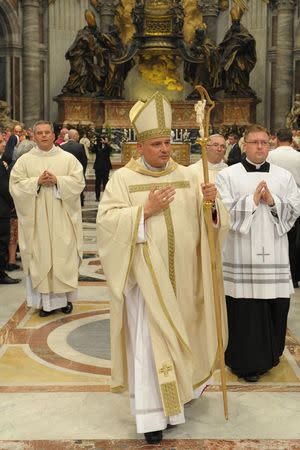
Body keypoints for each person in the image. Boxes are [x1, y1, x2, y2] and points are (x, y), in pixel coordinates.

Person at [96, 92, 229, 445]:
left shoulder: (188, 176)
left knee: (179, 343)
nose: (165, 149)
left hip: (184, 281)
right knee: (151, 348)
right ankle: (153, 418)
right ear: (140, 147)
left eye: (168, 142)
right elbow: (107, 223)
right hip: (147, 284)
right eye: (157, 144)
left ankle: (176, 406)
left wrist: (212, 206)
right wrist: (145, 211)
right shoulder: (123, 181)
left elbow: (214, 225)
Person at [215, 124, 300, 383]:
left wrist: (274, 202)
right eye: (254, 142)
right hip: (241, 256)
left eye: (264, 142)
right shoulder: (227, 175)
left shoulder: (284, 176)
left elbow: (295, 208)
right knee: (244, 309)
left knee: (274, 306)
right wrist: (251, 201)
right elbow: (222, 212)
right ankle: (242, 360)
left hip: (273, 253)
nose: (260, 147)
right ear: (244, 144)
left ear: (270, 144)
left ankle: (270, 356)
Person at [9, 121, 85, 317]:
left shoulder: (68, 159)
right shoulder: (25, 161)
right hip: (37, 222)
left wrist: (58, 180)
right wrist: (37, 182)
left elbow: (79, 183)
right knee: (41, 258)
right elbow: (15, 186)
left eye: (47, 132)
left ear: (53, 135)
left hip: (62, 218)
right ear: (34, 136)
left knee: (64, 258)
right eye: (39, 133)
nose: (43, 136)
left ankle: (66, 300)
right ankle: (45, 304)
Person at [268, 128, 300, 287]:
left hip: (274, 198)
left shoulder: (271, 155)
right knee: (294, 240)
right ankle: (294, 278)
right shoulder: (298, 156)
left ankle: (277, 274)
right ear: (292, 140)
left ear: (277, 139)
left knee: (276, 236)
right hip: (297, 198)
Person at [218, 6, 257, 97]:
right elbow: (224, 44)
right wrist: (220, 49)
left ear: (239, 22)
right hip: (229, 60)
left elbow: (250, 42)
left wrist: (242, 46)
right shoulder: (230, 33)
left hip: (240, 60)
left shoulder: (244, 33)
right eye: (233, 22)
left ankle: (240, 89)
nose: (234, 24)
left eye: (236, 22)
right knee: (229, 75)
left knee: (239, 76)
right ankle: (231, 89)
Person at [0, 135, 21, 284]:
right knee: (2, 243)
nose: (4, 144)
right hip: (2, 210)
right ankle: (1, 275)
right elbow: (3, 187)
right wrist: (12, 202)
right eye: (1, 142)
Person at [60, 129, 87, 206]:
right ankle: (80, 202)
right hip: (77, 172)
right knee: (78, 190)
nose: (78, 136)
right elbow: (84, 161)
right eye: (77, 135)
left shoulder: (62, 146)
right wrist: (83, 171)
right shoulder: (80, 146)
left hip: (66, 173)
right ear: (74, 136)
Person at [92, 136, 112, 201]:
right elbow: (93, 151)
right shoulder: (97, 146)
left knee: (106, 182)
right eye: (104, 140)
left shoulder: (107, 146)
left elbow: (110, 149)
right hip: (98, 167)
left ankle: (106, 197)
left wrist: (105, 143)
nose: (105, 141)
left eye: (106, 140)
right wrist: (95, 143)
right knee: (97, 183)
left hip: (106, 167)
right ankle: (97, 197)